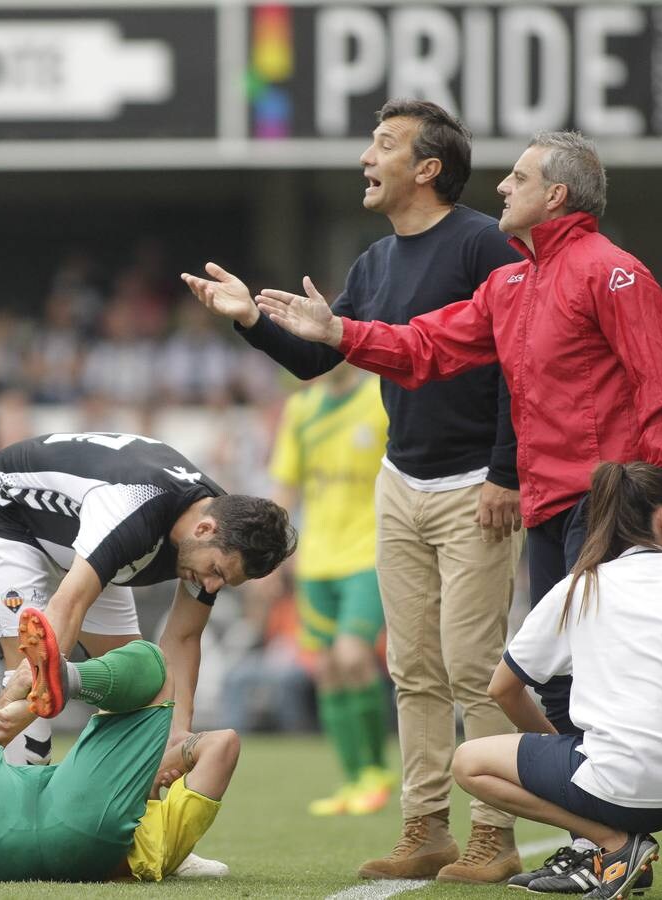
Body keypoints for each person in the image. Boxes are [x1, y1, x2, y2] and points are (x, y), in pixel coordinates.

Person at [255, 130, 662, 890]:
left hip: (608, 508)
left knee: (608, 678)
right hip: (551, 505)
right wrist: (338, 333)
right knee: (562, 684)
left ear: (555, 195)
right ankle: (606, 840)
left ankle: (658, 828)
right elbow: (426, 346)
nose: (501, 187)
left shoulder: (615, 273)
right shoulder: (513, 285)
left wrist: (651, 502)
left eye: (518, 177)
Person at [184, 99, 525, 882]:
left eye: (383, 145)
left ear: (428, 168)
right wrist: (249, 320)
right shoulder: (374, 263)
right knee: (411, 667)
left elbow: (518, 365)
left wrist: (507, 473)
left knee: (474, 665)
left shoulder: (484, 244)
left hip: (479, 483)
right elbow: (318, 360)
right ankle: (427, 827)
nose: (366, 159)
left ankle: (494, 833)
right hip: (401, 480)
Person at [452, 461, 662, 900]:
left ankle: (616, 845)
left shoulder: (579, 587)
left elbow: (502, 689)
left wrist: (557, 751)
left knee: (467, 762)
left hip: (622, 788)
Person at [0, 431, 294, 768]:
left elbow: (184, 636)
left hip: (84, 543)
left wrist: (176, 734)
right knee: (28, 667)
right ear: (204, 530)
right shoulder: (134, 508)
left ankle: (95, 798)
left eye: (224, 581)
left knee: (138, 687)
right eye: (215, 571)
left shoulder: (219, 527)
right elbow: (68, 606)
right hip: (3, 513)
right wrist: (28, 705)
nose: (210, 584)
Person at [0, 607, 240, 882]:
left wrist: (162, 765)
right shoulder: (169, 839)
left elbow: (223, 745)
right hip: (85, 833)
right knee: (149, 662)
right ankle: (54, 680)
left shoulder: (163, 827)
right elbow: (222, 744)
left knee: (152, 662)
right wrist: (167, 767)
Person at [267, 366, 392, 816]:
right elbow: (285, 484)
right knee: (324, 669)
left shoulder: (379, 395)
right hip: (315, 560)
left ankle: (376, 771)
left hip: (366, 553)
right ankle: (352, 777)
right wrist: (271, 551)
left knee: (353, 655)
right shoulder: (301, 408)